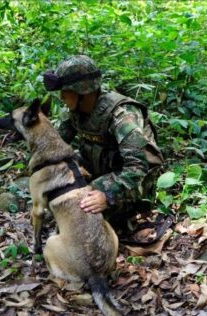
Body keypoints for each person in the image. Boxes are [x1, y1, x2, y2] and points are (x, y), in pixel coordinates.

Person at [42, 55, 164, 231]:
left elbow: (138, 167)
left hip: (131, 181)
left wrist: (107, 195)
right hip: (99, 168)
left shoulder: (122, 116)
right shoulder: (76, 110)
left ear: (81, 92)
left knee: (83, 207)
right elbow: (57, 145)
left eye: (65, 91)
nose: (61, 97)